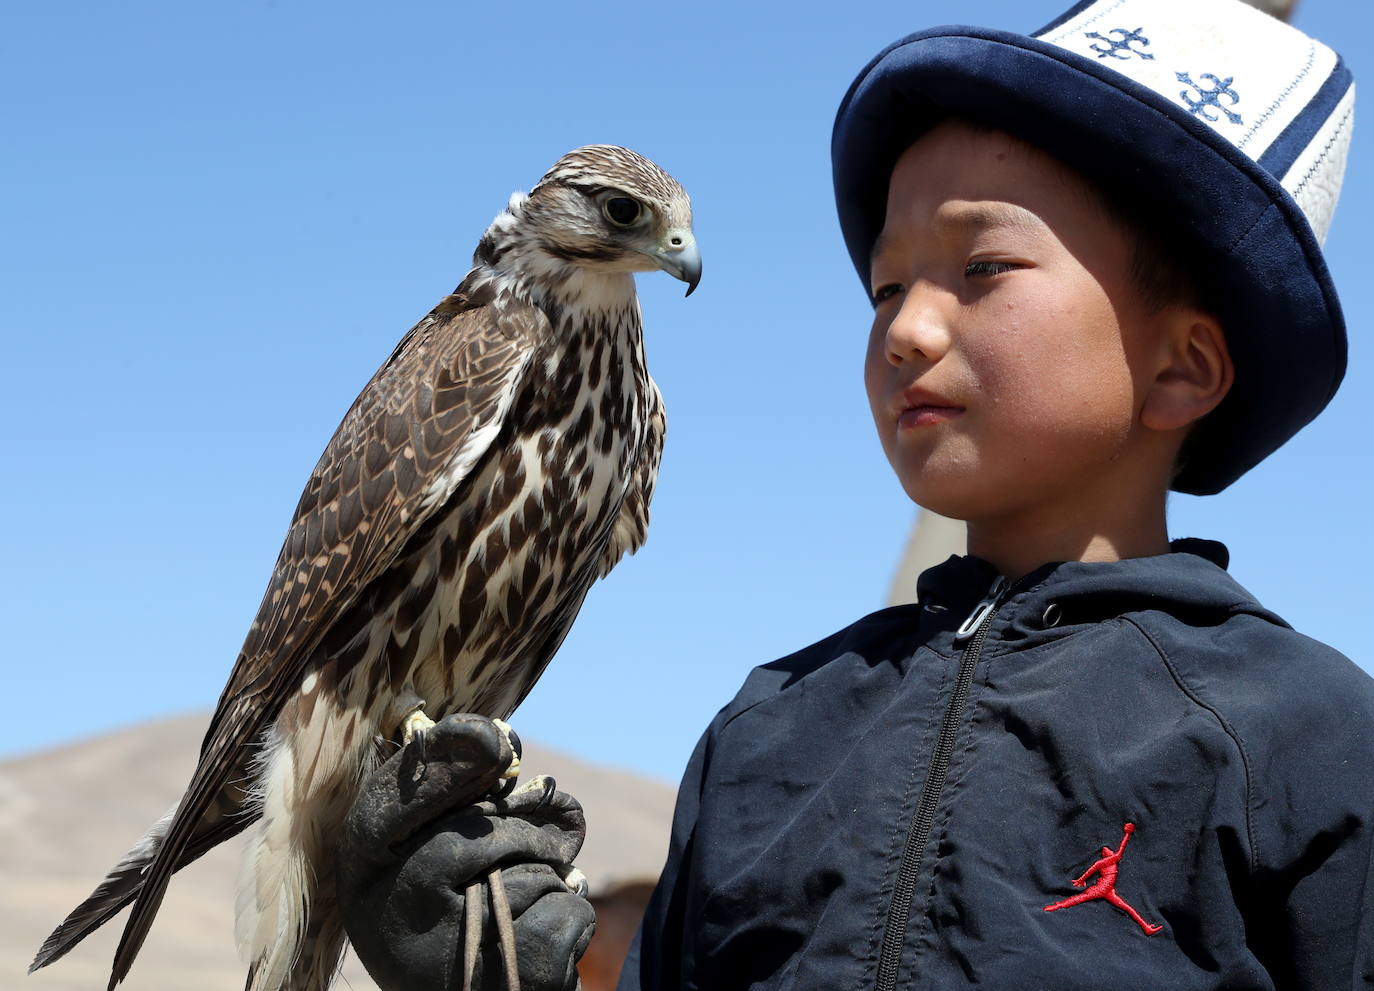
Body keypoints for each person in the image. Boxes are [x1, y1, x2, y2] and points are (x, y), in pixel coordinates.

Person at [337, 0, 1374, 987]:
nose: (907, 328)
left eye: (981, 266)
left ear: (1183, 367)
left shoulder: (1309, 739)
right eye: (887, 286)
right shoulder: (765, 733)